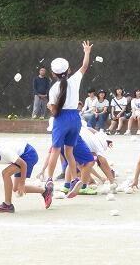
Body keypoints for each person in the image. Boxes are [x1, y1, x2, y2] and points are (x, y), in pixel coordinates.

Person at [44, 41, 93, 188]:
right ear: (69, 70)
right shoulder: (75, 80)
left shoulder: (53, 89)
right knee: (69, 151)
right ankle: (74, 179)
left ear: (53, 74)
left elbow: (54, 111)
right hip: (75, 118)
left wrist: (49, 106)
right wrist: (87, 52)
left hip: (61, 119)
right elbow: (84, 66)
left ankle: (49, 179)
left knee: (55, 150)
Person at [0, 136, 53, 214]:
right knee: (16, 188)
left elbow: (23, 164)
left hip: (29, 153)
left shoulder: (4, 151)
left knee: (5, 173)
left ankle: (7, 205)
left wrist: (22, 183)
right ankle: (45, 191)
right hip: (21, 157)